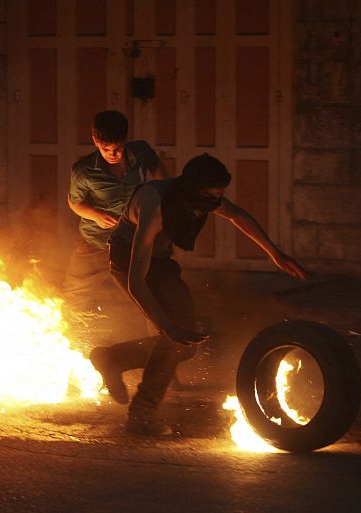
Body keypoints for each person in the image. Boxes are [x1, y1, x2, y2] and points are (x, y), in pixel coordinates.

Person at [89, 154, 307, 435]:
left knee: (188, 343)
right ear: (189, 188)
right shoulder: (154, 206)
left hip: (161, 262)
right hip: (129, 262)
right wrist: (166, 325)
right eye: (208, 197)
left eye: (218, 197)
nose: (212, 205)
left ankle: (112, 359)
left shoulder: (201, 197)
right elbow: (135, 281)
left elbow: (237, 215)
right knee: (174, 337)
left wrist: (274, 253)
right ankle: (142, 413)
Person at [62, 110, 168, 321]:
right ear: (94, 140)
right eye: (105, 148)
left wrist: (161, 190)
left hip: (134, 239)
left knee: (148, 292)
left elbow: (158, 170)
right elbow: (75, 203)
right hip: (96, 242)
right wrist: (95, 214)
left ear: (125, 139)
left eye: (117, 148)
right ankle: (64, 335)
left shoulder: (141, 153)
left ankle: (160, 334)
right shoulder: (83, 170)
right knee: (74, 296)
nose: (112, 153)